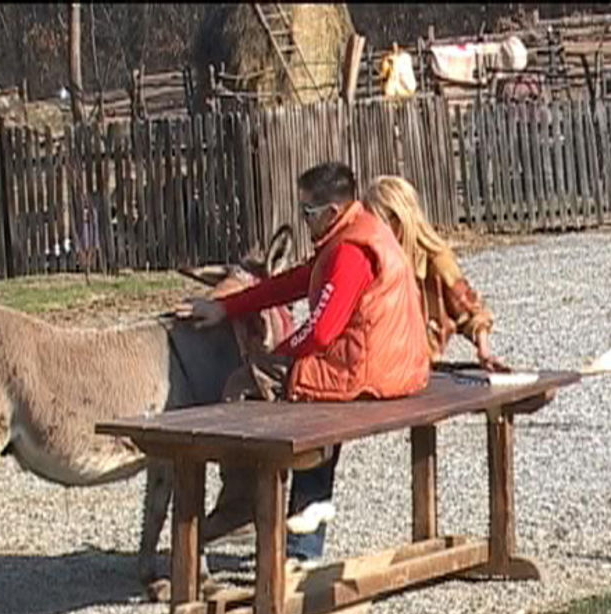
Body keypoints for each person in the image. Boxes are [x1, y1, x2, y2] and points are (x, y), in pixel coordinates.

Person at [177, 161, 430, 564]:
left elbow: (320, 332)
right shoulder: (358, 230)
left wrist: (275, 355)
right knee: (299, 399)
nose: (303, 221)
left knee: (247, 387)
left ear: (331, 212)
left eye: (307, 213)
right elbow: (295, 282)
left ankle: (247, 509)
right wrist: (226, 308)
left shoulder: (349, 251)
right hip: (394, 365)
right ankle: (296, 540)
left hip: (363, 372)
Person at [363, 175, 507, 371]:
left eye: (376, 223)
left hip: (423, 369)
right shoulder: (370, 259)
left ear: (399, 220)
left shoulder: (435, 260)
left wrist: (484, 352)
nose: (370, 231)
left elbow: (472, 310)